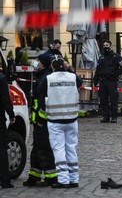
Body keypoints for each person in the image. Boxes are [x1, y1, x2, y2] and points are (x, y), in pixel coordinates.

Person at [38, 55, 82, 188]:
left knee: (59, 149)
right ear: (64, 64)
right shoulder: (73, 77)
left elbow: (39, 91)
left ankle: (63, 180)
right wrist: (70, 69)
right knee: (71, 148)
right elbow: (80, 83)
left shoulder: (48, 78)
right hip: (71, 119)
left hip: (55, 120)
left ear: (52, 66)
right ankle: (74, 179)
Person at [23, 52, 57, 187]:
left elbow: (43, 102)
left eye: (38, 61)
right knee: (37, 148)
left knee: (44, 149)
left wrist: (41, 120)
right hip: (38, 120)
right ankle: (34, 175)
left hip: (43, 121)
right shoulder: (42, 76)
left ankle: (51, 177)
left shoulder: (45, 78)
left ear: (42, 64)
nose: (35, 64)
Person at [93, 40, 122, 123]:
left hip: (112, 81)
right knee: (103, 99)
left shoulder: (116, 56)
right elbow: (98, 69)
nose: (105, 47)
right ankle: (106, 116)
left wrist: (115, 73)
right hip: (103, 81)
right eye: (104, 45)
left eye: (107, 45)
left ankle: (114, 117)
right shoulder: (101, 57)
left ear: (110, 46)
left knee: (113, 99)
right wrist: (95, 79)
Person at [0, 70, 15, 188]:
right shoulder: (1, 78)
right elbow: (5, 99)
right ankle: (5, 180)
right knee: (1, 148)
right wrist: (11, 114)